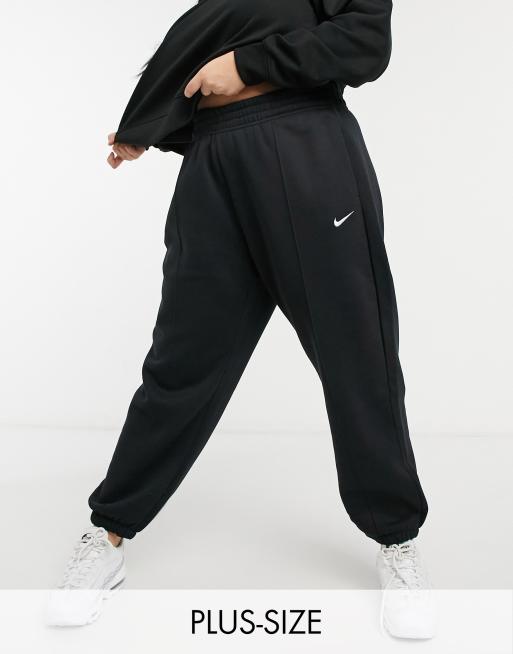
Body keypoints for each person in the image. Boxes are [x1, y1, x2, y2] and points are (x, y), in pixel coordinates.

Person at [47, 0, 435, 638]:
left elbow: (366, 40)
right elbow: (204, 33)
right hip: (214, 158)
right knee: (181, 362)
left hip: (304, 143)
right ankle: (109, 531)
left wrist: (250, 65)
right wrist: (145, 121)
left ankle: (397, 540)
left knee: (357, 354)